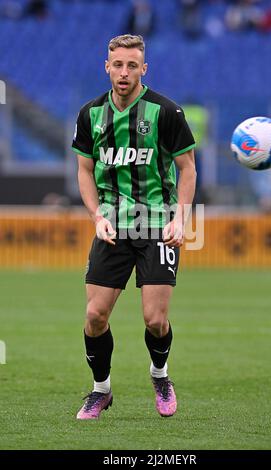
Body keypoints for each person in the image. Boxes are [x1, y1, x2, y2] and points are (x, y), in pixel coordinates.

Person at [72, 34, 196, 420]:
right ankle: (100, 390)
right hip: (113, 225)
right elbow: (84, 170)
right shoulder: (90, 114)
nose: (124, 72)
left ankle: (160, 375)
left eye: (132, 65)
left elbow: (188, 169)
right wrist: (97, 215)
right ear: (106, 66)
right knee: (94, 316)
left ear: (144, 69)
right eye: (118, 65)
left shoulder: (166, 112)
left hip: (156, 224)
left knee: (155, 320)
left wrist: (181, 217)